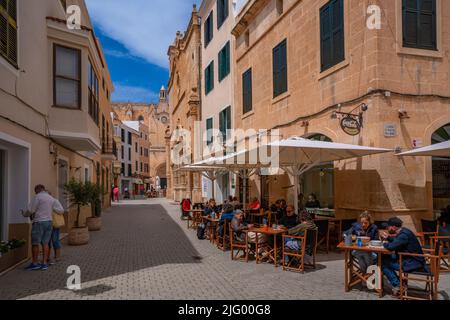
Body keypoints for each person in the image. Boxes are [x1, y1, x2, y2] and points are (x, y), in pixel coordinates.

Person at [380, 217, 425, 296]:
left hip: (412, 263)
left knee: (382, 262)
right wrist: (388, 238)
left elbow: (391, 247)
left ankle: (398, 284)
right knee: (384, 258)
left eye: (388, 227)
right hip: (410, 259)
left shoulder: (403, 235)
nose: (387, 228)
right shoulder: (404, 232)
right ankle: (400, 282)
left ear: (394, 227)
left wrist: (383, 243)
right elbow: (397, 242)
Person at [25, 185, 65, 271]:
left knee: (35, 243)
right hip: (49, 222)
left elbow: (31, 210)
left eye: (35, 191)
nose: (35, 193)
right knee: (45, 243)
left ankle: (35, 263)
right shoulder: (51, 198)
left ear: (37, 190)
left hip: (39, 222)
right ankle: (44, 263)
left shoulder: (37, 197)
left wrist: (25, 214)